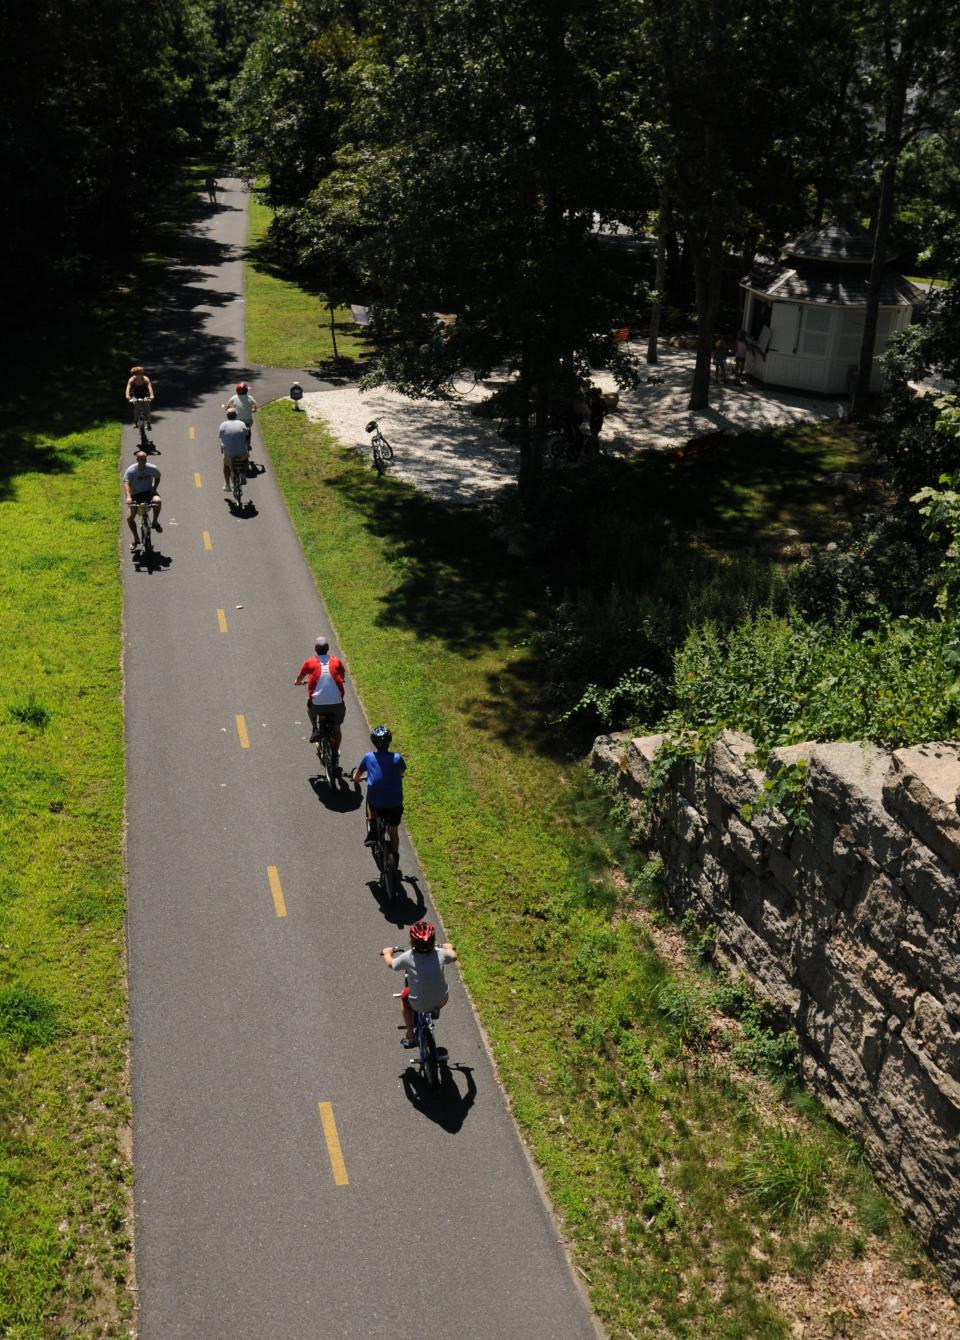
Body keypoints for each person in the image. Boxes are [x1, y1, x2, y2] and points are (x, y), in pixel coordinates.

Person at [381, 921, 458, 1047]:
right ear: (433, 940)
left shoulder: (408, 957)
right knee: (435, 987)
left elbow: (391, 964)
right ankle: (435, 1011)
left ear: (412, 942)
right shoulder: (441, 953)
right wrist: (448, 947)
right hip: (442, 999)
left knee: (404, 995)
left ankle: (410, 1034)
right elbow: (454, 957)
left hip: (418, 1003)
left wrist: (387, 953)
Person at [352, 725, 406, 858]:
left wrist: (356, 778)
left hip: (377, 802)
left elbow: (357, 776)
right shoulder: (397, 758)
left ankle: (372, 830)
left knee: (370, 802)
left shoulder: (369, 757)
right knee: (393, 831)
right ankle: (395, 856)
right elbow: (401, 772)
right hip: (395, 803)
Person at [294, 637, 347, 748]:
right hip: (337, 704)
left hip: (317, 705)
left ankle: (315, 728)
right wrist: (341, 680)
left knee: (309, 707)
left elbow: (300, 677)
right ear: (328, 648)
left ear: (315, 649)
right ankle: (335, 753)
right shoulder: (336, 661)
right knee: (337, 728)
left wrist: (298, 682)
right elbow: (342, 676)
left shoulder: (310, 662)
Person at [122, 450, 162, 550]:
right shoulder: (131, 470)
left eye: (145, 459)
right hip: (135, 495)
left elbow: (157, 477)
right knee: (129, 518)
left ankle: (155, 522)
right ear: (137, 459)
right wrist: (129, 497)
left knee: (158, 501)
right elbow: (126, 483)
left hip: (148, 493)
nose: (143, 461)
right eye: (141, 459)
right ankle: (136, 539)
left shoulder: (151, 468)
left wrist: (154, 489)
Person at [223, 382, 258, 459]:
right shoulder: (250, 398)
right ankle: (248, 443)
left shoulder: (234, 398)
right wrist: (253, 410)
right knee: (249, 429)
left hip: (238, 421)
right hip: (248, 420)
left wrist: (227, 408)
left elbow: (228, 406)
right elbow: (255, 406)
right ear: (246, 391)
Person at [218, 407, 249, 489]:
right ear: (236, 415)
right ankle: (243, 475)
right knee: (245, 459)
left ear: (227, 416)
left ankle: (227, 485)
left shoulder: (223, 425)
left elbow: (221, 437)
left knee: (226, 466)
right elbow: (246, 434)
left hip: (229, 453)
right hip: (241, 451)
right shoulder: (242, 423)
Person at [125, 366, 155, 434]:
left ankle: (148, 422)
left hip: (145, 394)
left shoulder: (145, 379)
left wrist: (151, 395)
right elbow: (128, 388)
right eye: (139, 373)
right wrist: (127, 395)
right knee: (136, 407)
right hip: (136, 394)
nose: (141, 374)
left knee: (147, 407)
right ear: (135, 374)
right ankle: (135, 422)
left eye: (142, 373)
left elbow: (149, 387)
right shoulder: (132, 380)